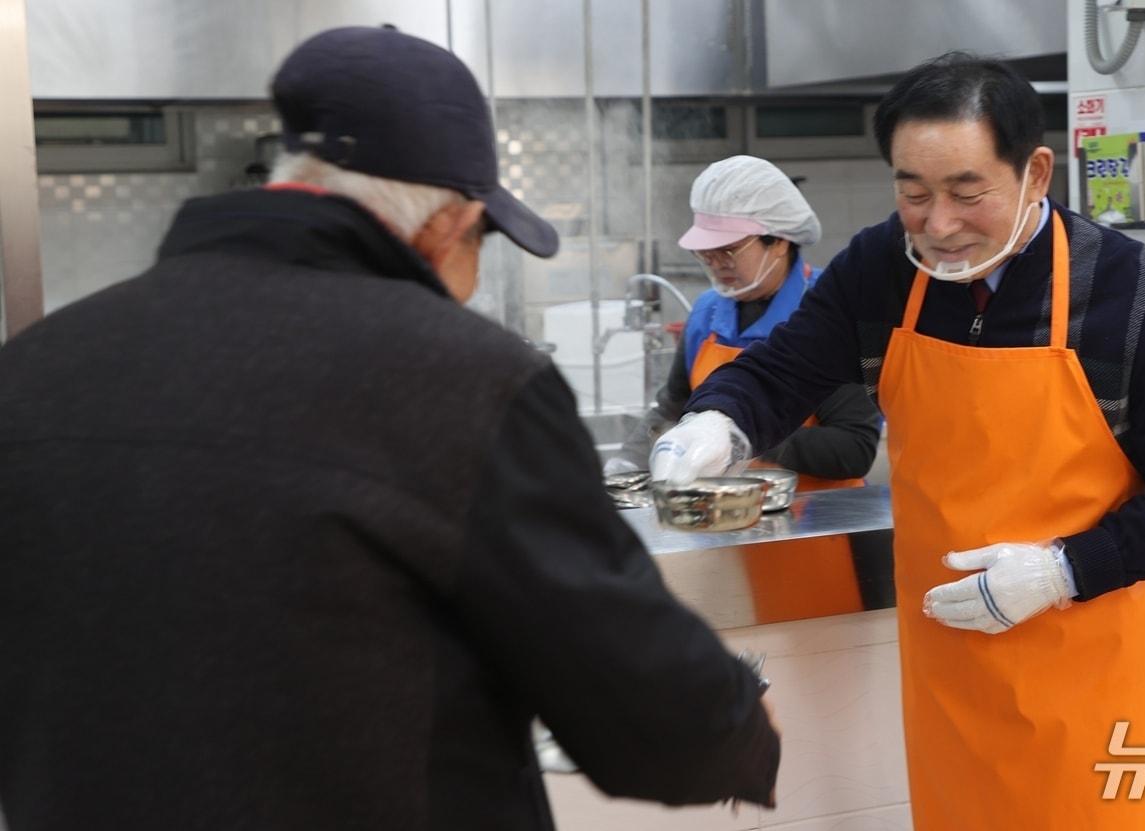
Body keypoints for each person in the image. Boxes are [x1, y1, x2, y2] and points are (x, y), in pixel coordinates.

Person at [0, 27, 778, 831]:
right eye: (483, 241)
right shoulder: (464, 380)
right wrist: (739, 731)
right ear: (449, 224)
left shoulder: (32, 371)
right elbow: (643, 709)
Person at [650, 53, 1145, 829]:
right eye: (913, 192)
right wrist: (714, 422)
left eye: (968, 192)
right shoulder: (882, 270)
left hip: (1090, 667)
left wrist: (1061, 571)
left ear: (1035, 171)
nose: (938, 224)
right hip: (949, 668)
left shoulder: (1128, 292)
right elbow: (784, 369)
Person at [611, 155, 881, 623]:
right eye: (706, 253)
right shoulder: (707, 314)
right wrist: (625, 463)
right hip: (719, 541)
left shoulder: (826, 317)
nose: (715, 265)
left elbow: (854, 449)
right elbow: (673, 407)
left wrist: (738, 441)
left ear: (778, 241)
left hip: (812, 541)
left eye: (728, 251)